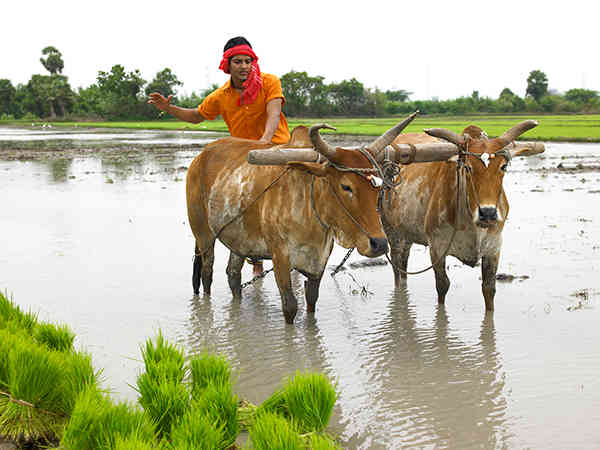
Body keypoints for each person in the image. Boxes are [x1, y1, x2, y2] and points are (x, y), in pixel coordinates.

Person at [148, 36, 290, 276]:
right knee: (244, 205)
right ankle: (255, 259)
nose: (244, 66)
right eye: (238, 62)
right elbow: (196, 116)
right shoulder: (221, 96)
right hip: (244, 157)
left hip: (278, 151)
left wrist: (265, 141)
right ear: (227, 65)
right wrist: (168, 108)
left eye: (248, 61)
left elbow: (274, 113)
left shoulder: (270, 82)